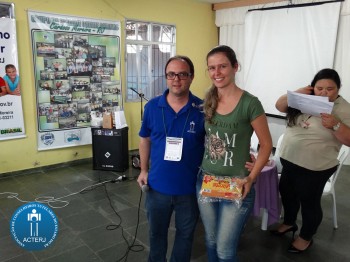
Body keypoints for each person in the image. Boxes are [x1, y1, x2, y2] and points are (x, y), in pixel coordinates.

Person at [196, 45, 272, 262]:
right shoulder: (208, 100)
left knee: (224, 250)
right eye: (211, 68)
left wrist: (252, 176)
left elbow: (266, 145)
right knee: (210, 241)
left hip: (236, 183)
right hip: (206, 180)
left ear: (235, 67)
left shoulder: (250, 103)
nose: (216, 73)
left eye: (222, 66)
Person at [272, 68, 350, 253]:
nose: (324, 92)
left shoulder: (344, 109)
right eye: (319, 88)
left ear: (338, 89)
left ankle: (306, 236)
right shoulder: (305, 99)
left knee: (309, 203)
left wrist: (336, 124)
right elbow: (279, 106)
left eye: (329, 89)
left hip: (316, 166)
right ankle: (289, 222)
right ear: (312, 87)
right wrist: (299, 93)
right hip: (290, 159)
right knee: (287, 193)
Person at [137, 55, 206, 262]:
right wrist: (143, 170)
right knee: (156, 236)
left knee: (185, 237)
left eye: (182, 74)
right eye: (171, 74)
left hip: (190, 190)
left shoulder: (202, 109)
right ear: (166, 77)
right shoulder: (152, 107)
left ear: (191, 77)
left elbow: (215, 142)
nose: (176, 79)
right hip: (158, 188)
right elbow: (145, 139)